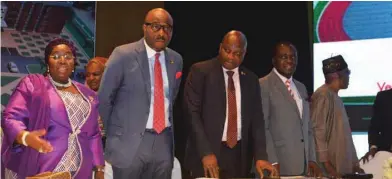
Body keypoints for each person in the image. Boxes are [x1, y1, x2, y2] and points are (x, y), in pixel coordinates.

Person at [98, 8, 183, 179]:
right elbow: (104, 99)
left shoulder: (176, 60)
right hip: (128, 144)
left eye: (167, 28)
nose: (162, 33)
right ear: (144, 28)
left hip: (163, 142)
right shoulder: (123, 54)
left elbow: (171, 98)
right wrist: (117, 134)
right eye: (156, 27)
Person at [1, 38, 105, 179]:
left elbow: (93, 134)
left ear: (74, 62)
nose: (62, 60)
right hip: (42, 165)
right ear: (47, 62)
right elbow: (11, 117)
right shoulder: (32, 84)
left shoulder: (88, 95)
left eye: (68, 56)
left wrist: (99, 168)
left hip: (80, 168)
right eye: (55, 56)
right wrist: (25, 137)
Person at [183, 30, 277, 179]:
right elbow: (192, 115)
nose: (231, 57)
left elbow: (257, 121)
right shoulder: (200, 71)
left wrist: (261, 156)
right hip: (207, 155)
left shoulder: (251, 79)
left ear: (244, 53)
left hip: (239, 157)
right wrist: (206, 153)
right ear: (220, 47)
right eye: (227, 50)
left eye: (238, 53)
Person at [259, 42, 322, 177]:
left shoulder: (301, 88)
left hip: (303, 167)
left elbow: (307, 127)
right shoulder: (263, 85)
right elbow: (262, 127)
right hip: (278, 166)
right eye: (284, 57)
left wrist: (311, 158)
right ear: (274, 60)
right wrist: (272, 160)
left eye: (293, 57)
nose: (289, 61)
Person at [310, 55, 362, 177]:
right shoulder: (323, 95)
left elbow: (345, 136)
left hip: (340, 168)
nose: (349, 76)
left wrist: (354, 164)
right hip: (330, 170)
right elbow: (318, 132)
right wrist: (327, 166)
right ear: (335, 75)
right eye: (347, 72)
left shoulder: (335, 96)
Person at [85, 57, 114, 179]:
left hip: (111, 151)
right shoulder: (81, 97)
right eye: (88, 75)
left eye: (96, 74)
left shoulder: (118, 98)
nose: (91, 78)